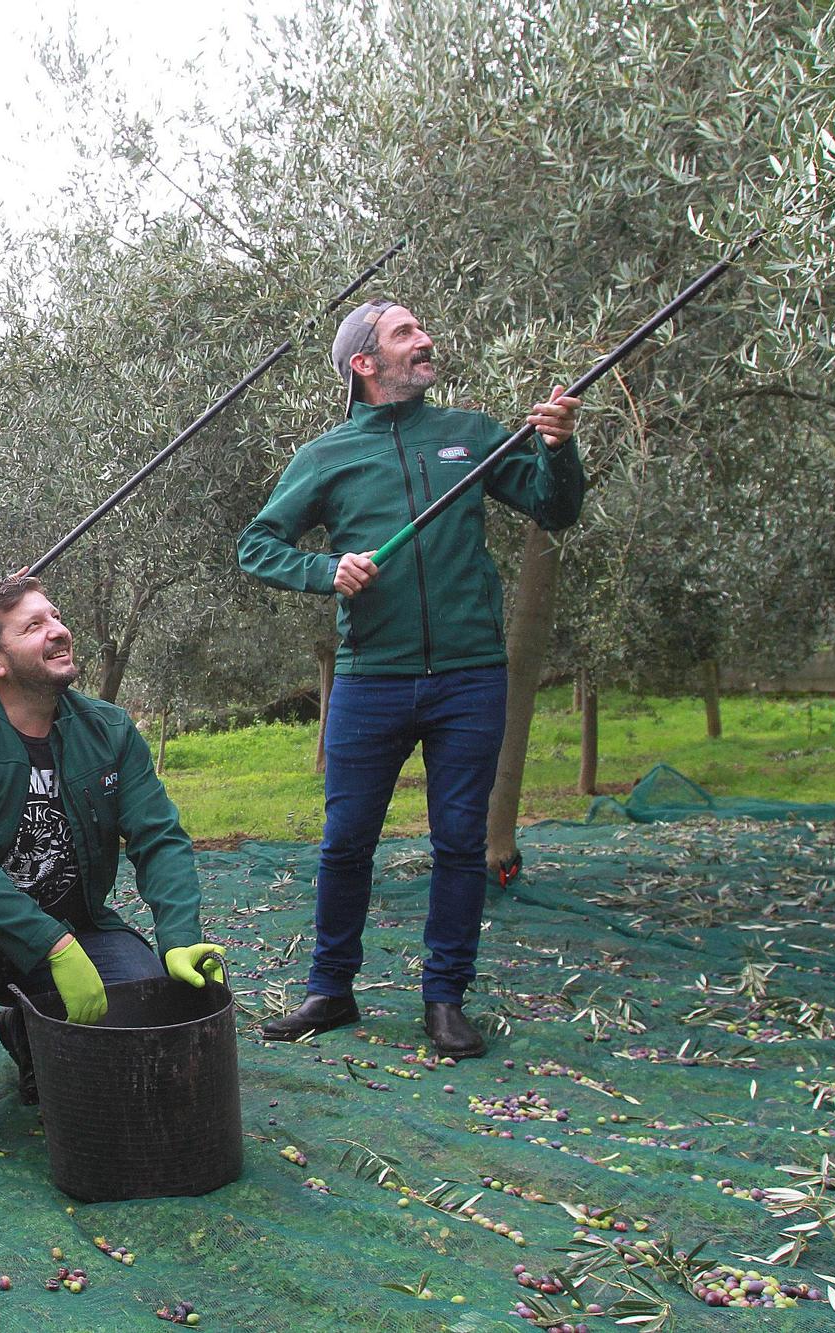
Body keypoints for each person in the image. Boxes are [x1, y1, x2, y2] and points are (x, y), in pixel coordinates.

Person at [236, 299, 584, 1060]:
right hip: (372, 680)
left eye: (420, 330)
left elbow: (554, 509)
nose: (425, 340)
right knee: (344, 842)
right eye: (405, 334)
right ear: (364, 363)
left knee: (461, 842)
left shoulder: (472, 434)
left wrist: (558, 446)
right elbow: (256, 546)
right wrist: (327, 569)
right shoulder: (327, 455)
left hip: (469, 676)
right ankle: (331, 991)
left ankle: (445, 998)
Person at [0, 577, 225, 1147]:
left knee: (150, 1001)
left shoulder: (108, 730)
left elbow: (159, 838)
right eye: (34, 625)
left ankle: (27, 1026)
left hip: (81, 925)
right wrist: (53, 945)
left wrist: (179, 936)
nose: (59, 630)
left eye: (56, 616)